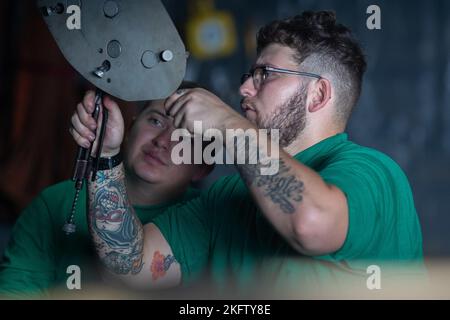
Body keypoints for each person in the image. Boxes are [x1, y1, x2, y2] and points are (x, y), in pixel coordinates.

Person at [74, 11, 424, 297]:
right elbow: (131, 268)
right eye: (250, 74)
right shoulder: (229, 196)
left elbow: (311, 224)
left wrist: (228, 124)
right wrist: (107, 155)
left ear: (317, 95)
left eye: (265, 75)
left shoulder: (372, 172)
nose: (243, 88)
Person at [0, 82, 212, 298]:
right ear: (130, 129)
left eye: (186, 137)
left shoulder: (213, 221)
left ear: (203, 168)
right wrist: (106, 152)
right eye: (156, 121)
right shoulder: (54, 203)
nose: (162, 141)